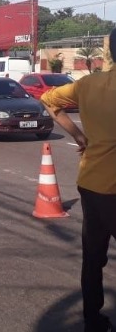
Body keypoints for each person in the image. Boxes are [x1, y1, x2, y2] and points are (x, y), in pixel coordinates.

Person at [40, 27, 116, 332]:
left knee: (94, 255)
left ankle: (92, 318)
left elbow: (48, 100)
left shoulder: (87, 83)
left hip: (91, 182)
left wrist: (79, 136)